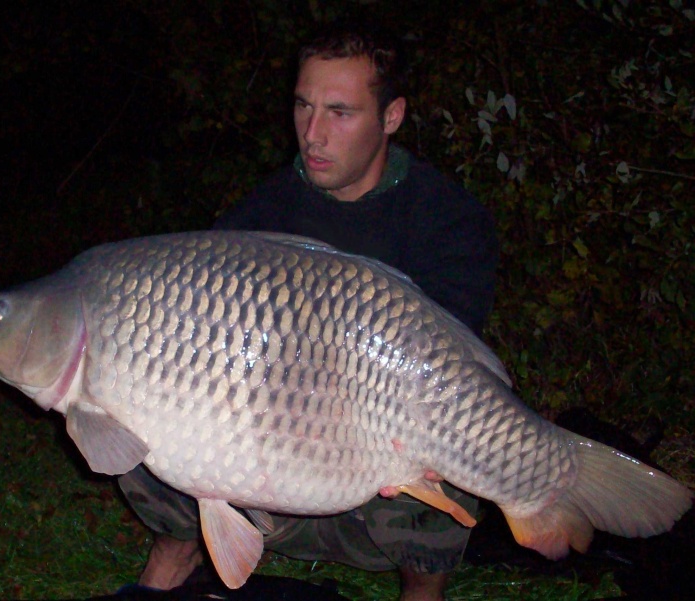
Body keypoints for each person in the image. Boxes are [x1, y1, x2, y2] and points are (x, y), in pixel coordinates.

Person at [118, 22, 498, 601]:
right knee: (146, 412)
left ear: (391, 117)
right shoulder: (259, 216)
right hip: (265, 446)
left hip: (380, 449)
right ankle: (173, 557)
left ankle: (424, 591)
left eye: (340, 112)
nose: (313, 134)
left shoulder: (448, 221)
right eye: (303, 106)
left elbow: (451, 371)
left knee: (458, 435)